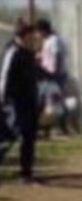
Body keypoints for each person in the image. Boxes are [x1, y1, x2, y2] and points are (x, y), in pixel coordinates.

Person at [0, 21, 40, 183]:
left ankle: (26, 173)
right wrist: (2, 99)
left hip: (29, 100)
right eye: (30, 35)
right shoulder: (13, 52)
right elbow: (4, 77)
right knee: (11, 135)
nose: (34, 38)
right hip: (14, 101)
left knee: (28, 136)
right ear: (22, 36)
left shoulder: (28, 53)